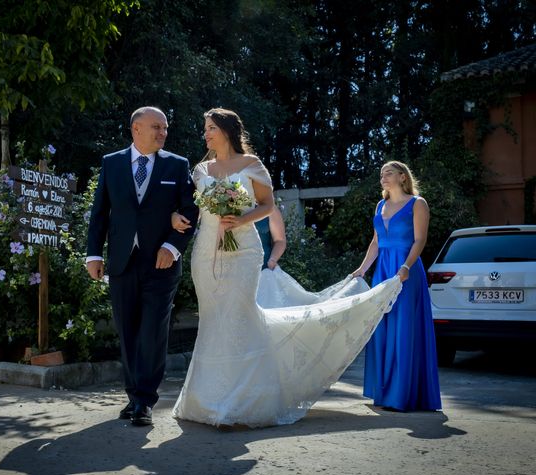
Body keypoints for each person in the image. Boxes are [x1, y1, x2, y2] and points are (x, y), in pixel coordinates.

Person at [171, 108, 402, 427]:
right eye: (205, 128)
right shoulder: (200, 170)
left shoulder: (253, 166)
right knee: (212, 319)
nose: (205, 134)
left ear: (226, 131)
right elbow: (187, 207)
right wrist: (174, 217)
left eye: (210, 128)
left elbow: (266, 206)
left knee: (239, 315)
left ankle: (242, 404)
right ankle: (205, 401)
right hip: (207, 251)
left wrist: (241, 218)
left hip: (243, 252)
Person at [86, 106, 199, 426]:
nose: (163, 133)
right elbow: (100, 213)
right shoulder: (112, 163)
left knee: (152, 331)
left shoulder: (177, 166)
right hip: (122, 263)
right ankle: (134, 395)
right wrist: (93, 255)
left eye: (165, 128)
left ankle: (144, 401)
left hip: (161, 265)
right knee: (128, 331)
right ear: (136, 129)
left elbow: (191, 211)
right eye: (156, 127)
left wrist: (172, 247)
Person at [352, 160, 442, 412]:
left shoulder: (417, 203)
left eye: (388, 173)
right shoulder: (380, 205)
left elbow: (420, 239)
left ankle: (402, 395)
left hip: (406, 271)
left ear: (403, 177)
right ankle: (384, 393)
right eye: (381, 174)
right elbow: (376, 242)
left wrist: (405, 267)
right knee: (382, 329)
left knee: (403, 329)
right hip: (382, 272)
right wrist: (362, 269)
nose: (383, 177)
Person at [254, 206, 286, 270]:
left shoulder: (270, 208)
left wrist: (273, 259)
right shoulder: (231, 207)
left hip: (264, 265)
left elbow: (280, 240)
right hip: (234, 263)